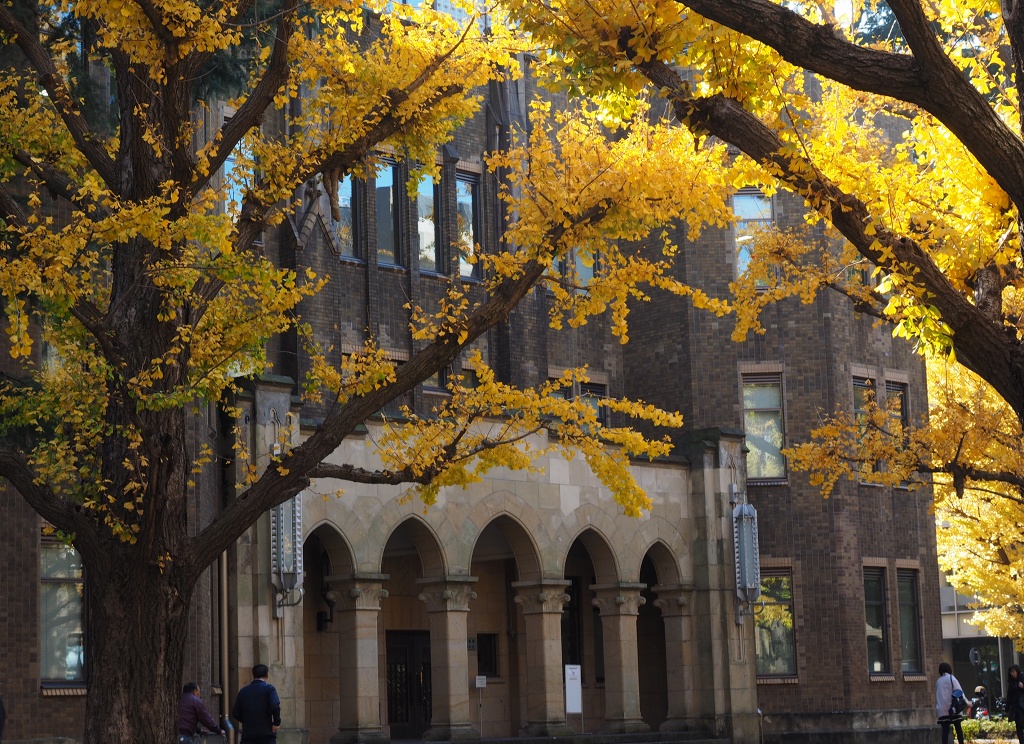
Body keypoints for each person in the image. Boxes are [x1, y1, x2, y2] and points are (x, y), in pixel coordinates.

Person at [231, 665, 281, 744]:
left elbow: (235, 712)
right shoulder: (269, 689)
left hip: (248, 734)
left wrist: (247, 720)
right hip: (266, 734)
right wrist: (276, 723)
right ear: (267, 675)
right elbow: (275, 705)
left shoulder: (243, 691)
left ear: (253, 675)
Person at [936, 661, 966, 744]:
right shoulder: (952, 678)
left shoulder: (938, 681)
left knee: (945, 731)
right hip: (953, 709)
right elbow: (959, 691)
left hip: (942, 710)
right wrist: (966, 702)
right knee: (958, 728)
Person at [1008, 665, 1024, 743]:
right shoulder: (1011, 682)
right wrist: (1007, 708)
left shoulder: (1022, 678)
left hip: (1023, 706)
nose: (1012, 674)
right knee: (1018, 726)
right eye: (1011, 672)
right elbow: (1009, 695)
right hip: (1015, 708)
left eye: (1014, 671)